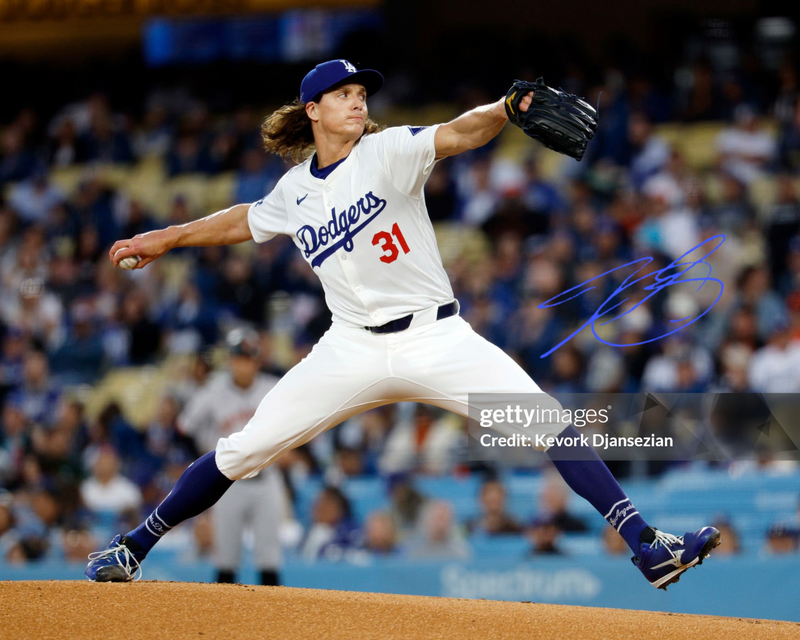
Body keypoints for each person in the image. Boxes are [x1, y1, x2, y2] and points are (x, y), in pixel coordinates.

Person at [86, 59, 721, 590]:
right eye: (344, 95)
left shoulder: (388, 151)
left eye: (362, 94)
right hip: (349, 349)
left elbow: (458, 134)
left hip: (436, 337)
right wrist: (167, 238)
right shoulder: (294, 191)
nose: (358, 103)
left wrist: (504, 109)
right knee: (245, 449)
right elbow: (242, 220)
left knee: (546, 419)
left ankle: (647, 544)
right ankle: (134, 549)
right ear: (313, 110)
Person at [177, 328, 285, 586]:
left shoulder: (273, 388)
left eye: (248, 358)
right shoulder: (214, 391)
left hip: (266, 478)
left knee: (269, 559)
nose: (243, 364)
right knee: (225, 560)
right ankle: (222, 622)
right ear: (230, 360)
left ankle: (275, 622)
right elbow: (183, 428)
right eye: (238, 358)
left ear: (257, 360)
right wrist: (201, 461)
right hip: (227, 482)